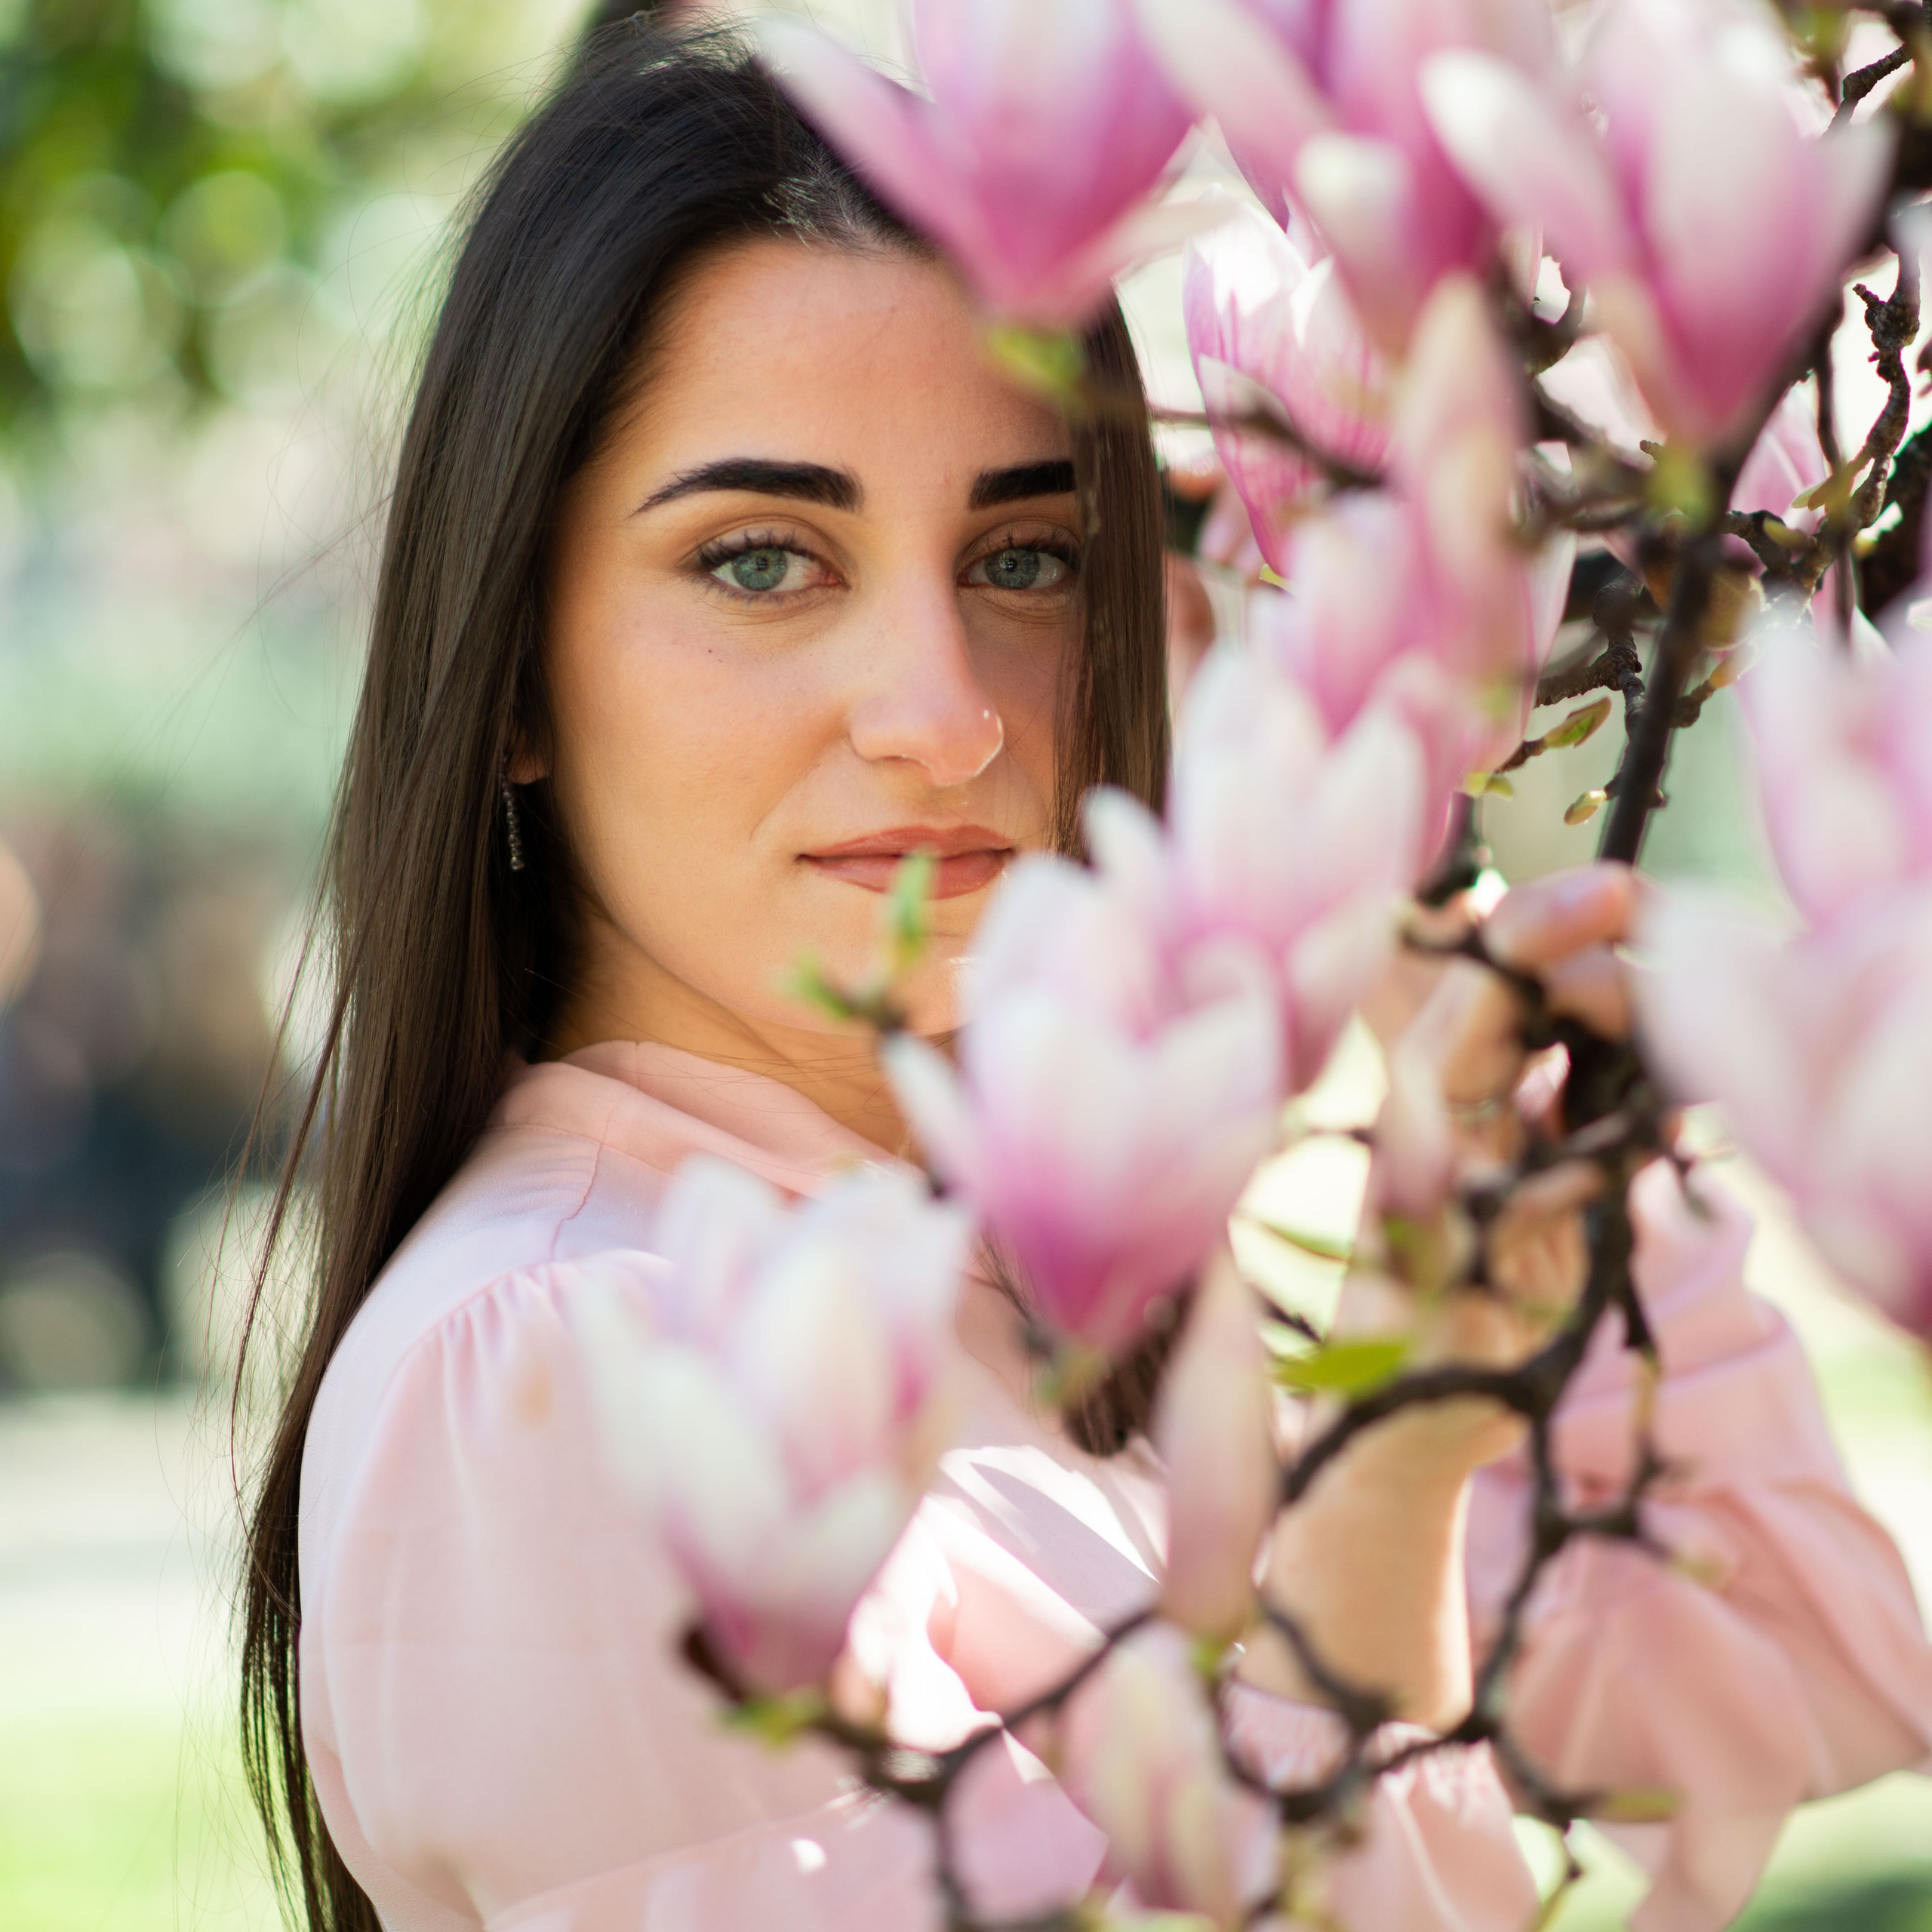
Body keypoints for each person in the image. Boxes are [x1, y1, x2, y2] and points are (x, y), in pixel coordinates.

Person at [240, 23, 1932, 1932]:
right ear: (518, 672)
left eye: (1026, 558)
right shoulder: (565, 1374)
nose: (944, 718)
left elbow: (1821, 1663)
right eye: (761, 561)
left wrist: (1495, 1105)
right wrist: (1385, 1505)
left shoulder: (1035, 1280)